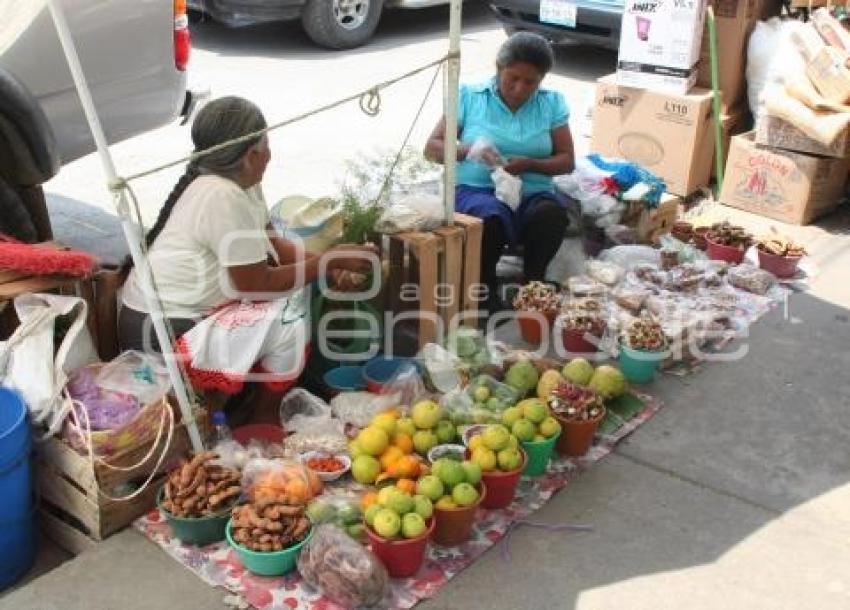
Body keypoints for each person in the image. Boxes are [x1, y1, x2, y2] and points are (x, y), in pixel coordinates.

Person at [118, 96, 373, 419]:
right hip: (161, 327)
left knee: (297, 293)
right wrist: (329, 261)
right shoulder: (221, 195)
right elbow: (257, 285)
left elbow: (276, 248)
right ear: (252, 154)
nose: (270, 154)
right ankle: (261, 420)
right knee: (288, 322)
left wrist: (330, 268)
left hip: (179, 314)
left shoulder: (243, 183)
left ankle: (236, 408)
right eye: (267, 144)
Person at [425, 32, 574, 315]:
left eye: (530, 82)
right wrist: (468, 150)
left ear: (542, 80)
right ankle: (485, 290)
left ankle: (533, 284)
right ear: (498, 69)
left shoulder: (552, 103)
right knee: (489, 218)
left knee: (551, 215)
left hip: (531, 190)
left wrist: (530, 163)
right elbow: (431, 148)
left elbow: (567, 161)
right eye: (512, 78)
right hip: (476, 189)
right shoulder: (469, 96)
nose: (519, 89)